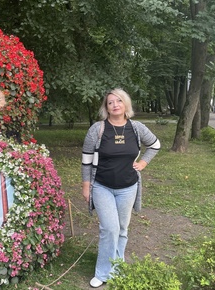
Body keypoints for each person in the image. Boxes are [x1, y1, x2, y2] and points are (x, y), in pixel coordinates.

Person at [81, 88, 160, 288]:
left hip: (128, 187)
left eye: (119, 101)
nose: (115, 105)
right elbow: (86, 160)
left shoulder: (136, 128)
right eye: (110, 102)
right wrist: (86, 185)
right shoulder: (97, 129)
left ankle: (117, 266)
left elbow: (155, 144)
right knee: (109, 228)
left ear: (126, 104)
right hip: (102, 186)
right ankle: (102, 272)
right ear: (106, 107)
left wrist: (143, 163)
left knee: (122, 229)